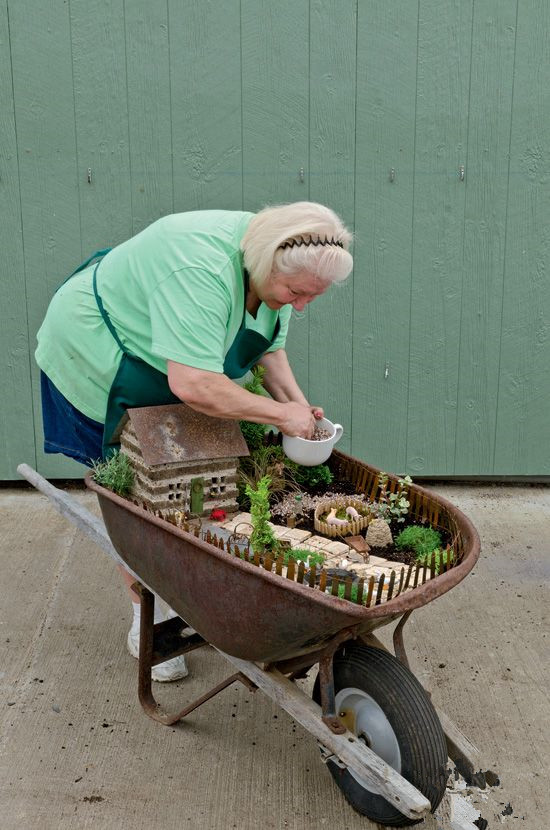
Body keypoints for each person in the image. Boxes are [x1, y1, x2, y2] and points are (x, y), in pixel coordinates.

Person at [35, 201, 353, 680]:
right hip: (98, 355)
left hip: (172, 369)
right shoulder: (198, 267)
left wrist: (301, 412)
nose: (302, 305)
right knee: (135, 497)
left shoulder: (281, 267)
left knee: (184, 487)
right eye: (295, 293)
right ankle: (149, 616)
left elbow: (268, 348)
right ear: (266, 264)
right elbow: (195, 385)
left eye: (313, 296)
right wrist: (278, 415)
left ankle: (187, 589)